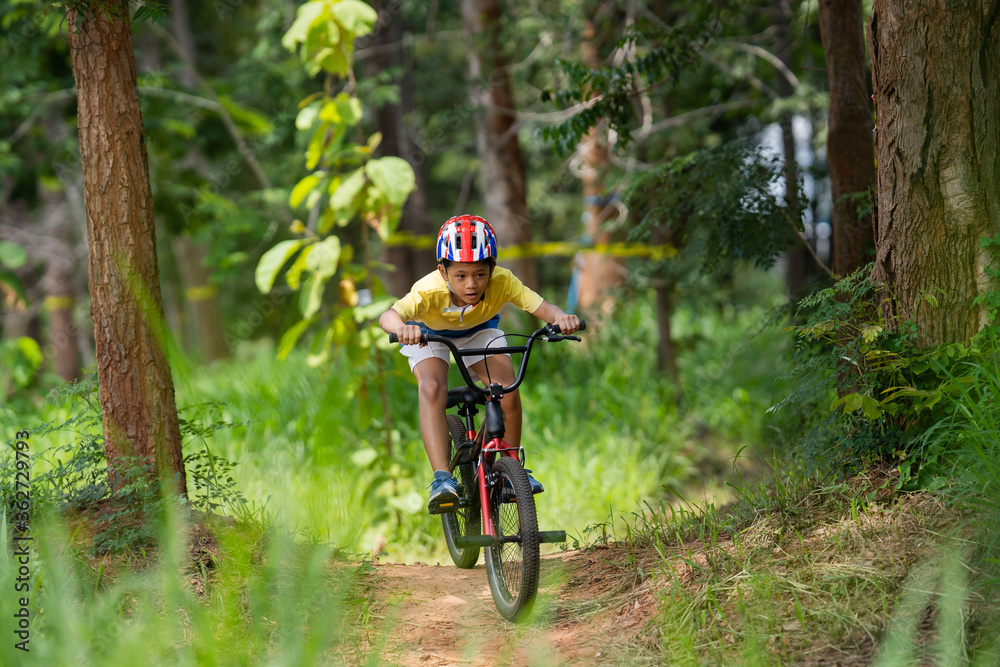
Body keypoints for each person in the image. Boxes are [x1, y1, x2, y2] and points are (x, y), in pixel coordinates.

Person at [379, 214, 581, 513]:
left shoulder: (503, 282)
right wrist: (401, 329)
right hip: (429, 336)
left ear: (492, 269)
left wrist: (561, 318)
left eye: (480, 274)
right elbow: (388, 315)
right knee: (432, 387)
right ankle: (442, 479)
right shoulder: (428, 290)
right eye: (460, 275)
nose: (471, 284)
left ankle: (510, 468)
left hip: (479, 332)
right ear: (443, 271)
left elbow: (541, 306)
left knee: (506, 389)